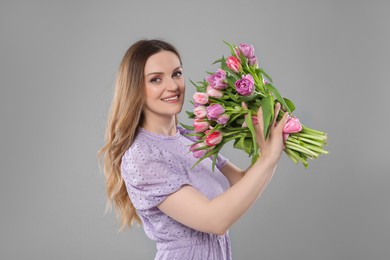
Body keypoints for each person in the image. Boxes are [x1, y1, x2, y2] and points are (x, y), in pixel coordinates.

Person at [98, 39, 289, 260]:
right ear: (135, 88)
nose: (173, 86)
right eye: (156, 79)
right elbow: (214, 220)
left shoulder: (189, 139)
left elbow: (242, 182)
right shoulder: (143, 157)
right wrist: (268, 157)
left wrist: (268, 146)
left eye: (176, 74)